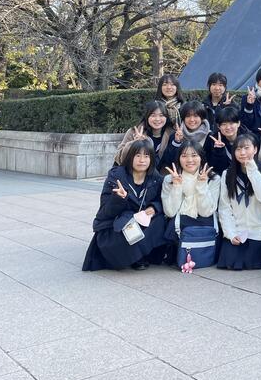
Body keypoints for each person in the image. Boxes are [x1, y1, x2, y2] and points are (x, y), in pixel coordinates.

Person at [82, 139, 166, 271]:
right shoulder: (116, 176)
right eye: (137, 155)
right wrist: (118, 199)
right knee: (128, 223)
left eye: (146, 156)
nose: (142, 160)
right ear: (130, 157)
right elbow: (105, 212)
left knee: (160, 220)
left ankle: (139, 254)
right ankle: (133, 256)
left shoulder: (156, 178)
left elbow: (161, 201)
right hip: (116, 225)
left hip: (141, 222)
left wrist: (154, 207)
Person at [217, 133, 261, 270]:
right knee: (230, 261)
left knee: (251, 262)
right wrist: (231, 234)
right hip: (238, 229)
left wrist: (252, 169)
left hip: (260, 230)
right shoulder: (227, 174)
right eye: (238, 149)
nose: (242, 153)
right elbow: (224, 208)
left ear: (255, 149)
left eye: (246, 148)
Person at [161, 141, 219, 265]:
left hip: (204, 223)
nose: (189, 160)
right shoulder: (169, 179)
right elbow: (170, 212)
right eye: (184, 156)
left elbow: (206, 212)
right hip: (179, 228)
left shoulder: (213, 179)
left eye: (194, 155)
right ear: (178, 159)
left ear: (201, 158)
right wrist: (177, 186)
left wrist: (202, 185)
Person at [114, 100, 177, 173]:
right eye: (153, 115)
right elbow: (119, 159)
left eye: (161, 115)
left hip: (160, 177)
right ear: (147, 117)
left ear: (166, 117)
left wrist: (177, 141)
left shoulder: (172, 135)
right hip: (134, 175)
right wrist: (134, 144)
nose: (157, 119)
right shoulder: (133, 132)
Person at [206, 106, 243, 175]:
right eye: (224, 124)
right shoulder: (213, 140)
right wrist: (219, 151)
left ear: (238, 123)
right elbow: (215, 168)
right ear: (218, 126)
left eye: (231, 123)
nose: (228, 127)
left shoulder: (248, 139)